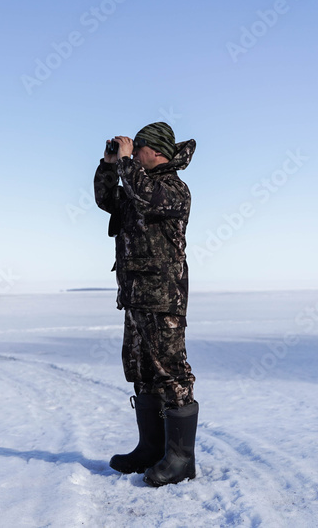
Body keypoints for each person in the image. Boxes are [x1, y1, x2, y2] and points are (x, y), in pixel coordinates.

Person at [93, 121, 198, 487]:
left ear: (156, 151)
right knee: (143, 372)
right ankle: (151, 449)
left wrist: (125, 165)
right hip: (135, 297)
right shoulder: (136, 182)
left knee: (172, 374)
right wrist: (109, 165)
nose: (133, 154)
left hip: (162, 298)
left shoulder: (172, 189)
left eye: (138, 149)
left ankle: (181, 459)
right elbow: (108, 199)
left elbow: (142, 193)